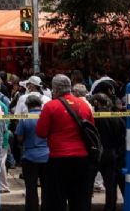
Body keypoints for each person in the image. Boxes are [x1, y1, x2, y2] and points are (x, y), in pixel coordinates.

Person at [35, 74, 97, 211]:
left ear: (54, 89)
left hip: (58, 159)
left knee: (56, 200)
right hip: (82, 158)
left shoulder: (50, 106)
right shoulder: (85, 106)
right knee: (80, 199)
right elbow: (92, 128)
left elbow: (41, 132)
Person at [16, 94, 48, 211]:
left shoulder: (25, 118)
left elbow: (19, 138)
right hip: (47, 157)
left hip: (30, 157)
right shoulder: (47, 117)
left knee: (31, 189)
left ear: (28, 106)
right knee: (47, 188)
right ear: (40, 105)